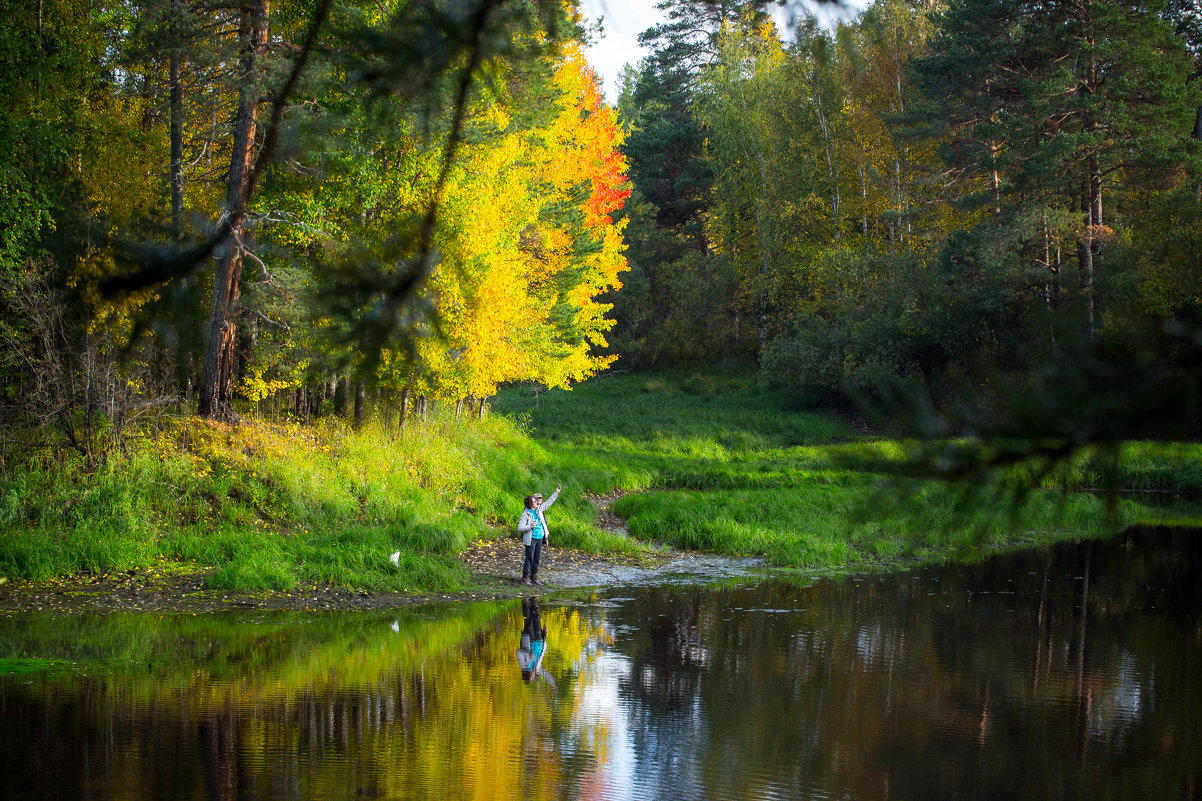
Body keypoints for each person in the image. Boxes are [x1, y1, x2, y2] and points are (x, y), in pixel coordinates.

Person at [517, 482, 560, 586]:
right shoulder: (525, 514)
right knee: (529, 558)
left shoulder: (538, 509)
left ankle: (534, 577)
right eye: (534, 501)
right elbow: (519, 528)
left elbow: (548, 503)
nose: (537, 502)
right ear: (530, 504)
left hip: (540, 538)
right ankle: (525, 578)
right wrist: (530, 526)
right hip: (531, 538)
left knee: (536, 558)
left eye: (536, 501)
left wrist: (556, 492)